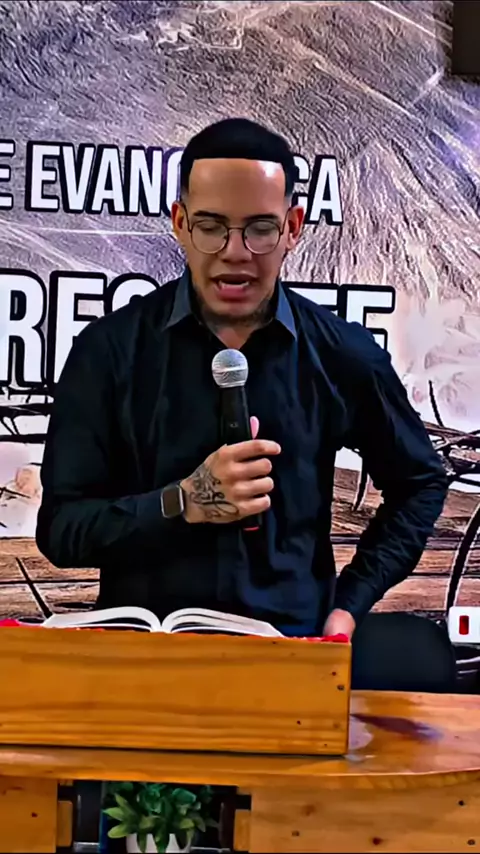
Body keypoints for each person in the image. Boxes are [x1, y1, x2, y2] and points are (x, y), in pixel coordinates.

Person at [36, 117, 448, 641]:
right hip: (145, 659)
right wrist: (182, 502)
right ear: (180, 223)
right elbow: (62, 530)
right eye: (211, 226)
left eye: (260, 228)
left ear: (292, 227)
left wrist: (349, 604)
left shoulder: (342, 354)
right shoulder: (109, 351)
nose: (235, 251)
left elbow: (419, 484)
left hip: (291, 653)